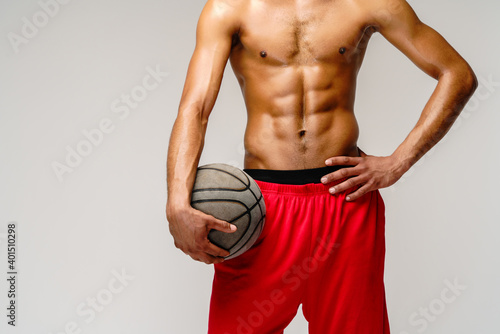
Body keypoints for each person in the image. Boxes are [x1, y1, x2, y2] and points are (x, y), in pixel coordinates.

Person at [166, 0, 477, 332]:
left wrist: (398, 162)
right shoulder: (230, 8)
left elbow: (457, 74)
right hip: (261, 211)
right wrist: (176, 201)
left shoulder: (369, 3)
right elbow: (195, 107)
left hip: (345, 199)